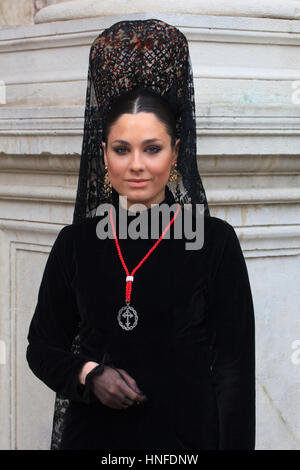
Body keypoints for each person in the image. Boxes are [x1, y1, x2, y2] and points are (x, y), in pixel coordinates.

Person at [26, 19, 255, 450]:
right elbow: (41, 348)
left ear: (175, 153)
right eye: (121, 149)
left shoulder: (214, 241)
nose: (136, 165)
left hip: (187, 442)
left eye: (152, 148)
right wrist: (89, 374)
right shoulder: (75, 243)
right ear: (104, 155)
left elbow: (233, 372)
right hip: (94, 440)